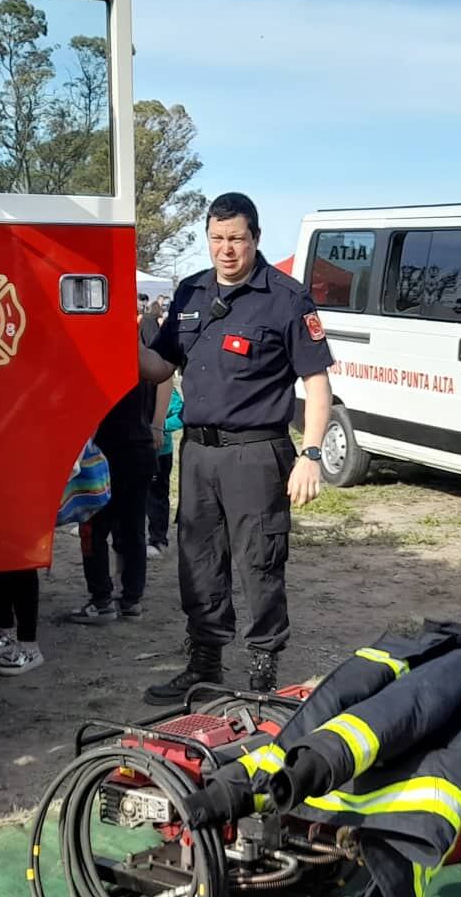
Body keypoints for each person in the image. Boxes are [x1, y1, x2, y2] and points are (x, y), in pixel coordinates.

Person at [138, 192, 334, 699]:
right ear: (208, 239)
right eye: (217, 239)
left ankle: (262, 673)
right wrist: (114, 332)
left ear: (256, 238)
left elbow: (316, 383)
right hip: (199, 454)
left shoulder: (285, 298)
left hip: (258, 454)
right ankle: (205, 666)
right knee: (198, 558)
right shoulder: (190, 293)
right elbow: (158, 367)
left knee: (259, 561)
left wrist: (311, 454)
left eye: (237, 239)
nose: (227, 250)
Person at [70, 316, 172, 624]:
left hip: (104, 455)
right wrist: (156, 424)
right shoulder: (136, 353)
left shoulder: (93, 357)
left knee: (94, 529)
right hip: (138, 449)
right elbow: (164, 376)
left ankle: (102, 601)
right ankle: (131, 600)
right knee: (131, 530)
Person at [148, 381, 183, 556]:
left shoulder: (168, 392)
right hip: (137, 451)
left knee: (157, 497)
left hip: (160, 454)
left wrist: (161, 427)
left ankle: (158, 540)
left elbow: (181, 415)